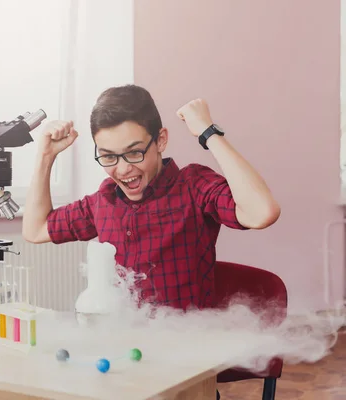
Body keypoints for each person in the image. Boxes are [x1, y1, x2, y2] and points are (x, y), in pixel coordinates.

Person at [22, 84, 280, 311]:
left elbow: (261, 213)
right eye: (109, 156)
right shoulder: (104, 200)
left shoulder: (194, 186)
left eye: (134, 153)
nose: (123, 170)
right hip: (124, 348)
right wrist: (46, 156)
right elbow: (36, 230)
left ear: (161, 141)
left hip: (185, 349)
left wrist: (207, 131)